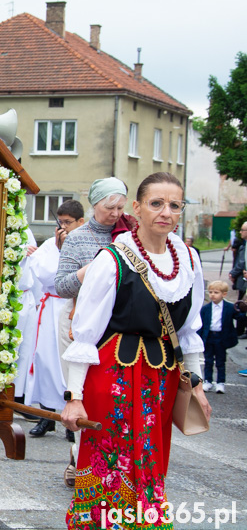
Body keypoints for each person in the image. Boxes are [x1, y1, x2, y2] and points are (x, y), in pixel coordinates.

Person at [62, 172, 211, 528]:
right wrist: (74, 395)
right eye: (156, 203)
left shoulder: (188, 260)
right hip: (113, 375)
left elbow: (189, 330)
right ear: (138, 208)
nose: (166, 212)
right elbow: (85, 333)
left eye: (175, 205)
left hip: (162, 378)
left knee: (151, 461)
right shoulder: (113, 258)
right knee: (111, 461)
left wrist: (197, 384)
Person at [55, 177, 129, 462]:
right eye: (109, 207)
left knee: (110, 393)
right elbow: (61, 285)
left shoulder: (129, 234)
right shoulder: (77, 237)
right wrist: (93, 270)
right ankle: (80, 452)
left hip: (116, 323)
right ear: (94, 204)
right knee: (79, 390)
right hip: (78, 320)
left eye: (120, 207)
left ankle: (109, 453)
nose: (115, 214)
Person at [17, 200, 85, 437]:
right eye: (61, 222)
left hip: (74, 307)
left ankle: (71, 418)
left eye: (69, 223)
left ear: (81, 223)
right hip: (50, 307)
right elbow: (44, 275)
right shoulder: (50, 245)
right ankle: (47, 416)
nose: (64, 228)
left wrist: (67, 249)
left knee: (67, 363)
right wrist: (57, 249)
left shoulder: (85, 245)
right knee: (45, 361)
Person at [200, 280, 239, 394]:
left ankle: (220, 382)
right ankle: (207, 381)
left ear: (224, 294)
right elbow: (201, 324)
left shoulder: (230, 307)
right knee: (208, 360)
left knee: (221, 361)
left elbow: (239, 317)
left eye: (216, 292)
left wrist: (242, 309)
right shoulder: (205, 308)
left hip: (221, 337)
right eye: (210, 292)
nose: (212, 295)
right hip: (209, 337)